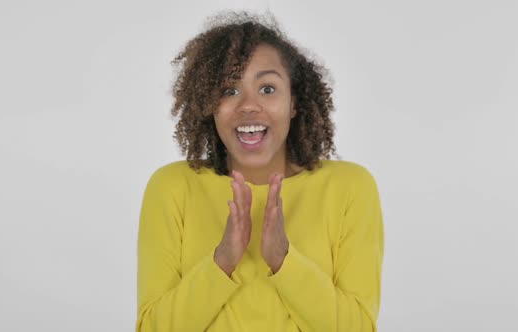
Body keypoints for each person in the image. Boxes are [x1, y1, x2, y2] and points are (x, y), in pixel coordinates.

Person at [136, 12, 384, 332]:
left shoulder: (350, 188)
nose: (248, 106)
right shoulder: (171, 187)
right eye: (229, 90)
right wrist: (221, 262)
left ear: (293, 102)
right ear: (209, 103)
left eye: (267, 89)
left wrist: (283, 260)